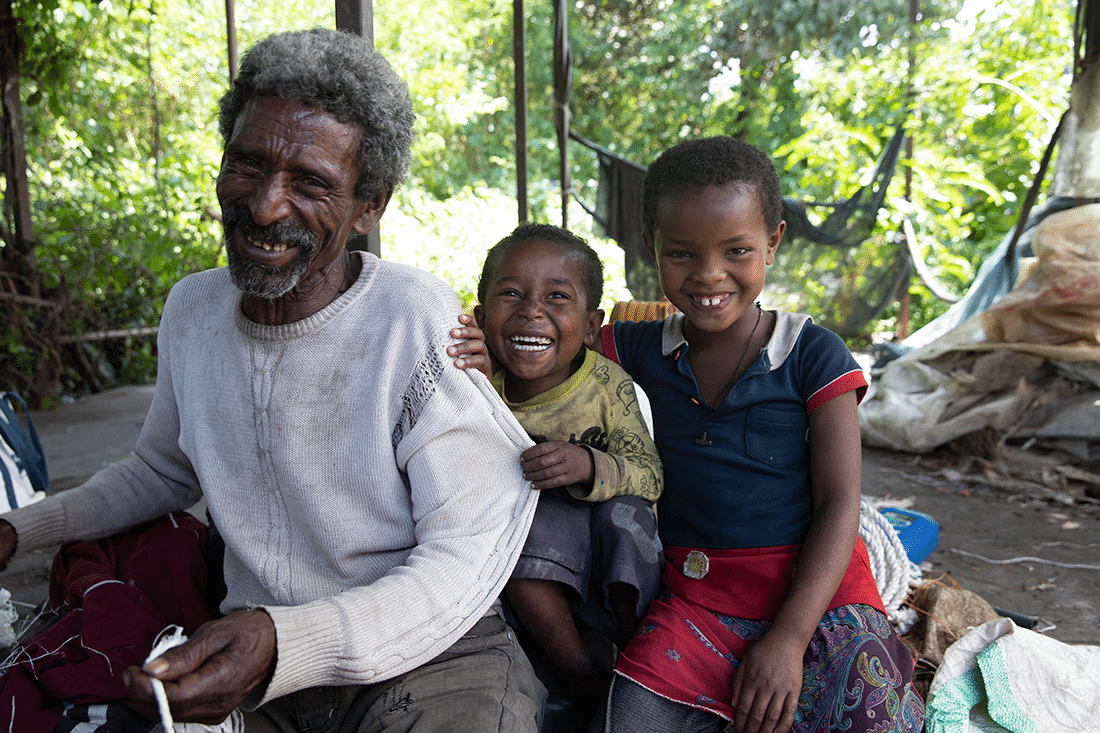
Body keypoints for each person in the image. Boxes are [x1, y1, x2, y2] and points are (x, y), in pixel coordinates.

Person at [0, 29, 545, 732]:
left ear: (369, 205)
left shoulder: (413, 317)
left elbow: (465, 552)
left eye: (310, 182)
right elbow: (162, 471)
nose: (263, 206)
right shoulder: (193, 309)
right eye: (248, 164)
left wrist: (286, 642)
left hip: (430, 655)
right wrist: (21, 529)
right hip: (258, 660)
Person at [594, 137, 925, 733]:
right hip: (697, 595)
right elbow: (548, 343)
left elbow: (840, 503)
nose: (708, 276)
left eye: (737, 250)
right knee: (627, 719)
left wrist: (789, 641)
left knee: (871, 710)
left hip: (813, 593)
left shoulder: (811, 355)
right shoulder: (636, 346)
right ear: (652, 248)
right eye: (681, 254)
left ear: (772, 243)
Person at [473, 223, 663, 710]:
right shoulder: (474, 384)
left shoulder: (608, 387)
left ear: (593, 323)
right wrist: (469, 383)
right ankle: (579, 673)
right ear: (480, 315)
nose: (531, 311)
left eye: (556, 297)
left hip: (602, 542)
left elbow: (650, 475)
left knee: (628, 515)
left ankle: (637, 657)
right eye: (510, 294)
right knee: (516, 534)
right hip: (527, 552)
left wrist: (588, 465)